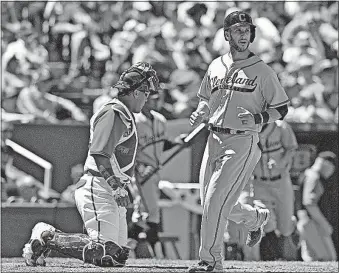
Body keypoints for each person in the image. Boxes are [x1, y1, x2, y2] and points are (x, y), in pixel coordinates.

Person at [22, 62, 160, 267]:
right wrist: (115, 185)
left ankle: (45, 239)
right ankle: (45, 235)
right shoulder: (115, 113)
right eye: (146, 91)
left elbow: (116, 154)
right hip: (99, 186)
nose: (148, 97)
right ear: (134, 92)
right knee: (105, 252)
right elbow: (99, 154)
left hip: (110, 187)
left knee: (118, 256)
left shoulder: (124, 114)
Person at [188, 11, 290, 272]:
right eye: (238, 30)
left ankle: (210, 261)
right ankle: (254, 217)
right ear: (227, 34)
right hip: (213, 138)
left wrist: (258, 116)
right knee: (210, 202)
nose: (243, 34)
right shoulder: (215, 64)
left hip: (241, 142)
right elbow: (205, 97)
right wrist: (201, 110)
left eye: (247, 30)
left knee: (214, 201)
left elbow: (281, 108)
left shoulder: (262, 71)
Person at [129, 91, 185, 258]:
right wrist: (136, 167)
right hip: (140, 171)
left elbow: (161, 144)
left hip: (154, 170)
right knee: (150, 212)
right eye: (151, 98)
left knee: (143, 214)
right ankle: (157, 254)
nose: (155, 101)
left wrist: (176, 143)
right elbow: (126, 147)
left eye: (156, 98)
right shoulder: (134, 120)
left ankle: (125, 247)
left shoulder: (160, 119)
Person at [248, 120, 300, 260]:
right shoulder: (247, 127)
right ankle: (274, 257)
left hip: (281, 181)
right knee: (266, 221)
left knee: (285, 228)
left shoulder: (281, 127)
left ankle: (293, 227)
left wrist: (281, 162)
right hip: (259, 183)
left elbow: (292, 148)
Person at [297, 151, 337, 261]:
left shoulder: (308, 173)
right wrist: (324, 224)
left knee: (311, 258)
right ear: (326, 164)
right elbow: (309, 203)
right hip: (312, 223)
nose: (332, 170)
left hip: (306, 222)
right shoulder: (314, 176)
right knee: (328, 258)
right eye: (333, 166)